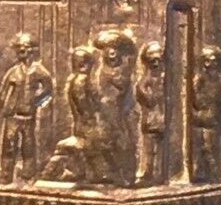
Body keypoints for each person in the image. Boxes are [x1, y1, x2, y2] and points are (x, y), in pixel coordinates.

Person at [0, 33, 53, 185]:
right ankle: (6, 174)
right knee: (9, 146)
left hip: (28, 116)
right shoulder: (14, 71)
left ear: (32, 50)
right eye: (19, 48)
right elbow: (3, 92)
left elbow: (48, 89)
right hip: (12, 116)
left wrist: (36, 102)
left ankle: (28, 175)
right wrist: (0, 107)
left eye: (25, 47)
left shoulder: (38, 70)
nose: (21, 50)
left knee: (28, 147)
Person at [41, 44, 100, 183]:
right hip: (87, 124)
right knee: (88, 147)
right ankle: (86, 172)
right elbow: (83, 104)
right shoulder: (81, 80)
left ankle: (82, 172)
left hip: (81, 124)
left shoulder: (75, 79)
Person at [92, 27, 139, 187]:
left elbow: (120, 87)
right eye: (108, 49)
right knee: (105, 141)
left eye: (115, 50)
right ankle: (111, 173)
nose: (111, 53)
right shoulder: (103, 69)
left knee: (121, 141)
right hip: (105, 112)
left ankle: (127, 174)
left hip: (118, 112)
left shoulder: (122, 70)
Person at [190, 44, 221, 182]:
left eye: (213, 60)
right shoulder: (198, 80)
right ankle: (201, 173)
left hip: (213, 122)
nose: (209, 64)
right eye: (207, 60)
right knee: (199, 149)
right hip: (198, 120)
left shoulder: (220, 82)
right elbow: (192, 98)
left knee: (211, 150)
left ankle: (215, 175)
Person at [134, 40, 166, 185]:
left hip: (162, 118)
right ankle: (149, 172)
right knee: (149, 149)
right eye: (152, 60)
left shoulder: (164, 79)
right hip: (151, 119)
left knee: (160, 148)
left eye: (158, 59)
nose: (156, 63)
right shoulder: (146, 80)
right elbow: (147, 97)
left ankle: (158, 173)